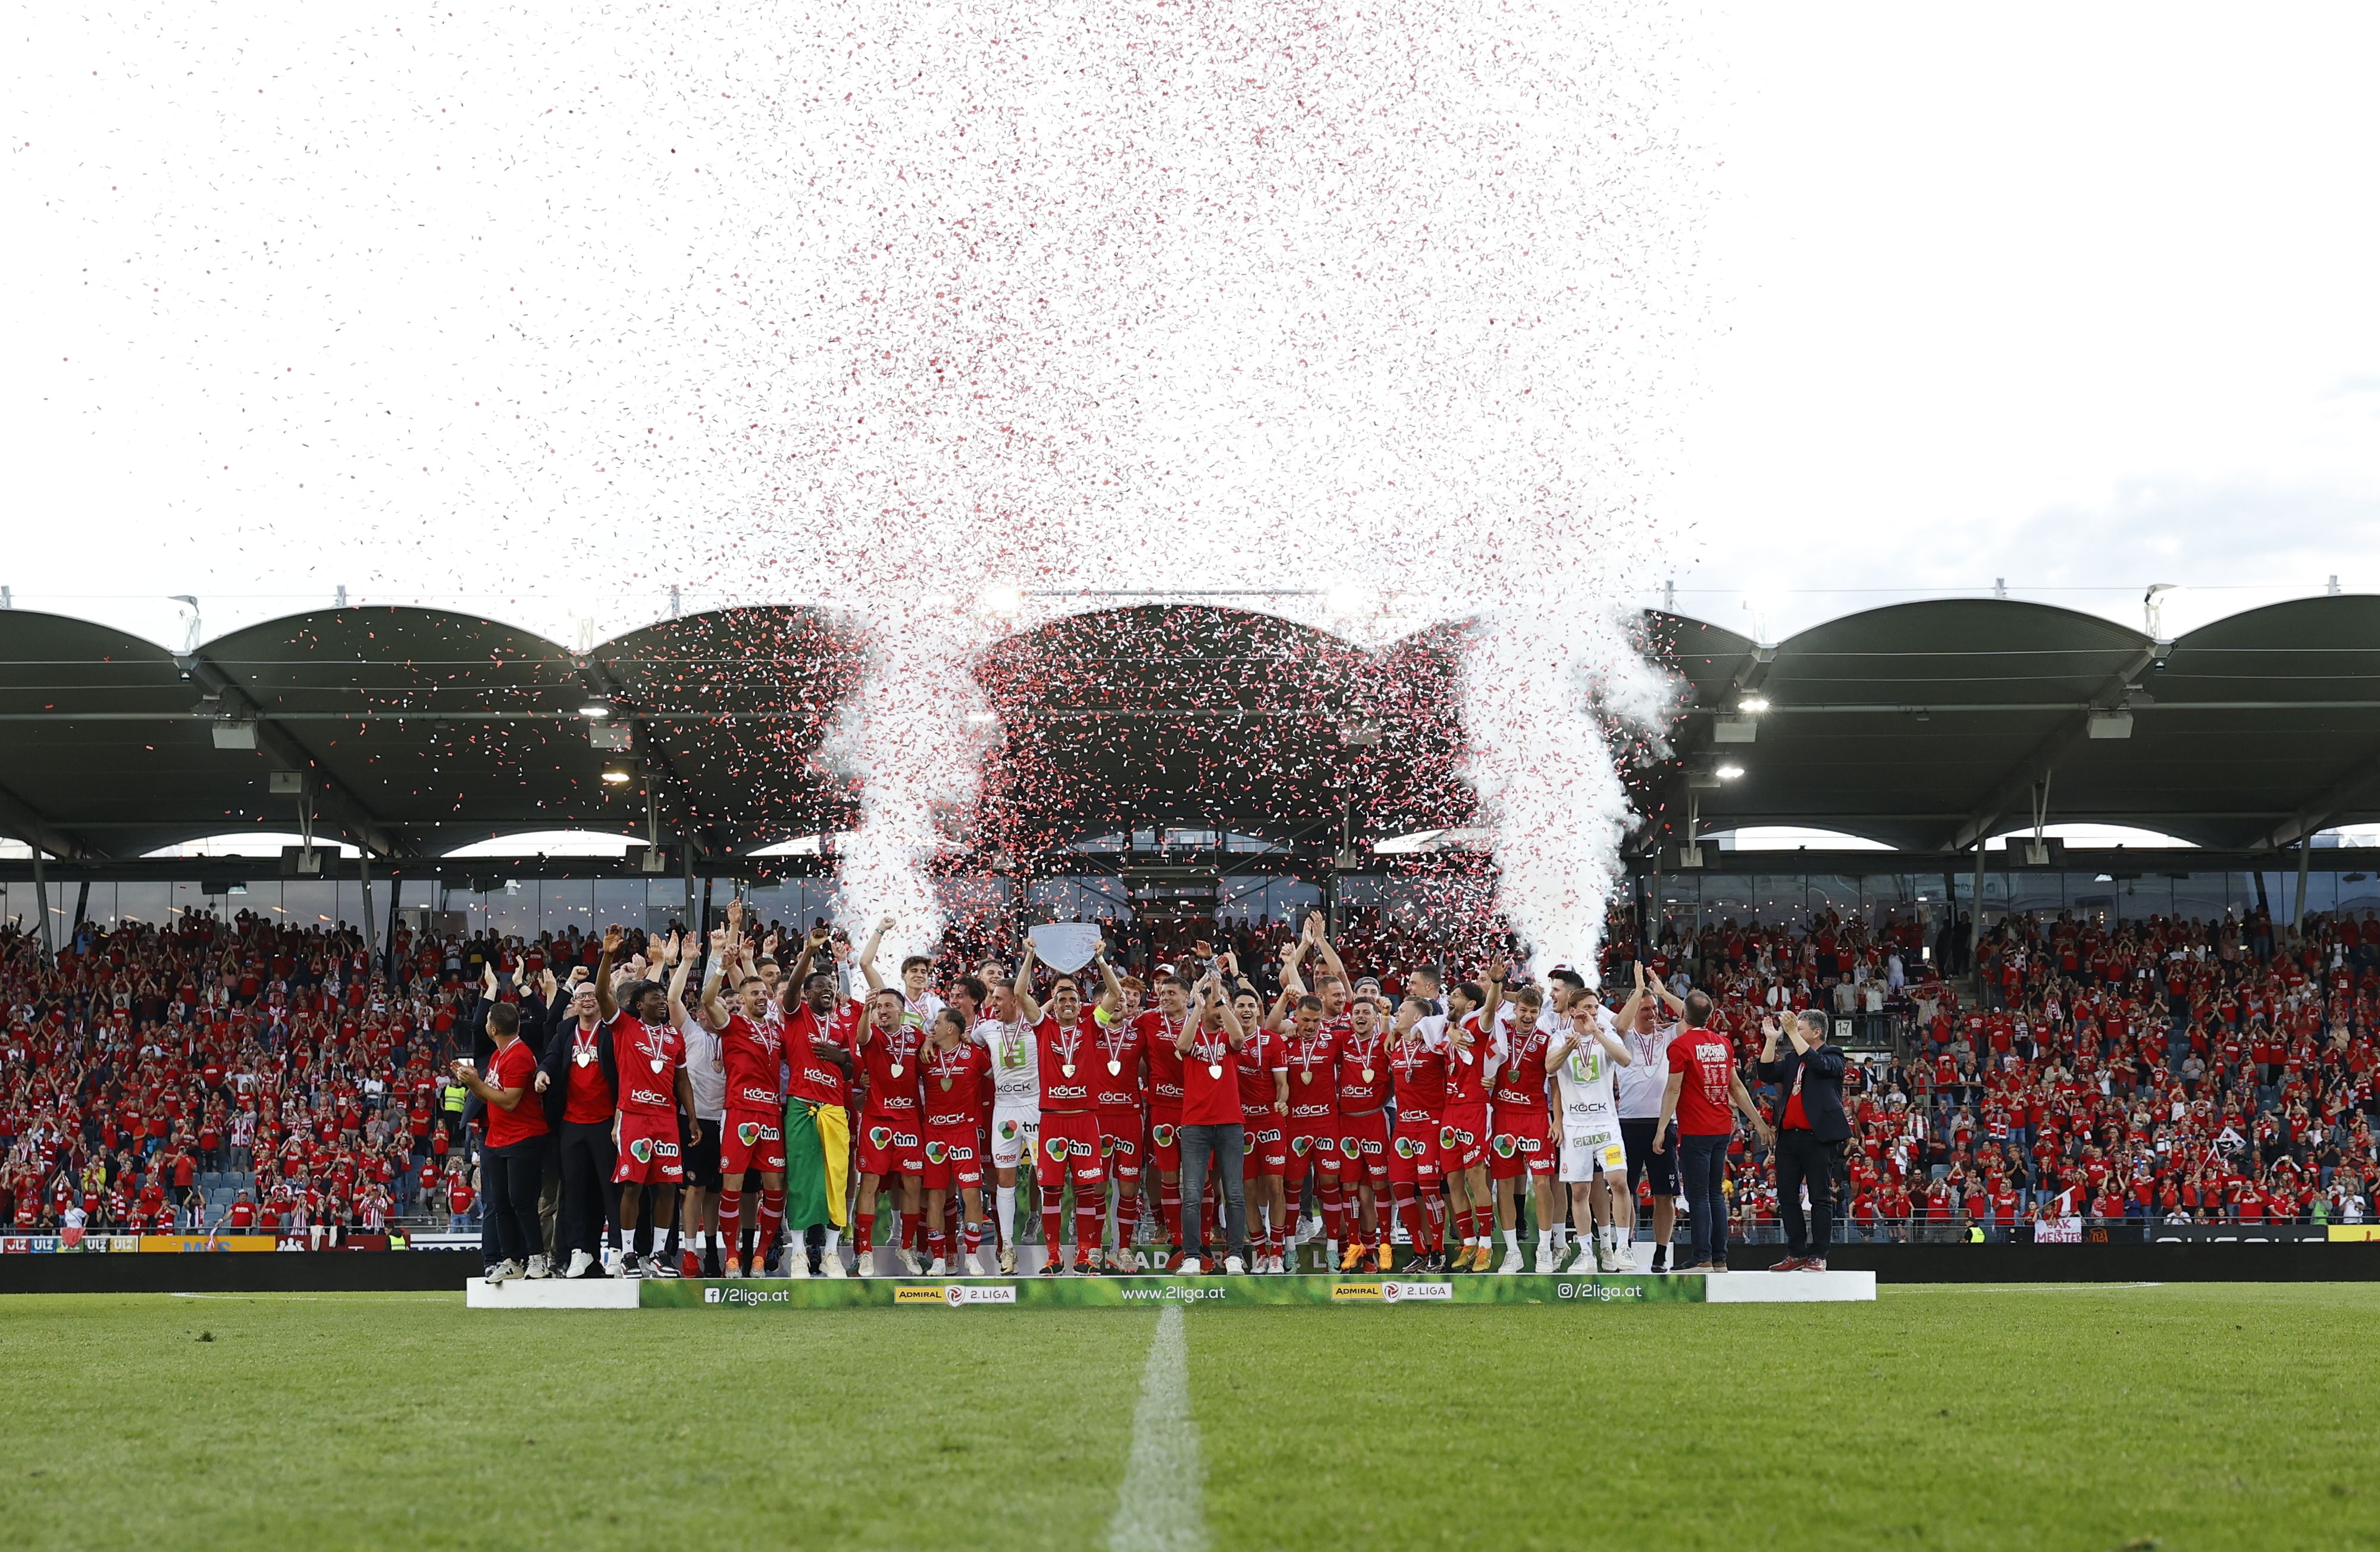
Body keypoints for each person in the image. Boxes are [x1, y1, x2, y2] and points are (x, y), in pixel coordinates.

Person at [1010, 937, 1122, 1275]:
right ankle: (1054, 1256)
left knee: (1088, 1189)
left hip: (1086, 1119)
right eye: (1062, 999)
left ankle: (1086, 1255)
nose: (1069, 1003)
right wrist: (1030, 955)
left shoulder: (1092, 1026)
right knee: (1052, 1190)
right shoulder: (1043, 1027)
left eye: (1074, 998)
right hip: (1054, 1121)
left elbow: (1115, 995)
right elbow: (1019, 995)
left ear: (1082, 1003)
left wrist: (1101, 961)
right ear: (1054, 1005)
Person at [596, 928, 702, 1278]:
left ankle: (659, 1255)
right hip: (636, 1117)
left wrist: (693, 1119)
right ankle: (628, 1254)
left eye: (664, 998)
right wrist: (609, 955)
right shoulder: (624, 1027)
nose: (662, 1002)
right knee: (633, 1185)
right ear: (640, 1005)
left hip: (667, 1120)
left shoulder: (674, 1037)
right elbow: (601, 995)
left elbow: (682, 1080)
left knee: (668, 1186)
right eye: (655, 998)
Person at [1654, 990, 1773, 1273]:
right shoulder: (1722, 1044)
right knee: (1715, 1194)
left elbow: (1673, 1089)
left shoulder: (1680, 1047)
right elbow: (1737, 1088)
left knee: (1698, 1195)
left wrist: (1661, 1130)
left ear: (1683, 1015)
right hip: (1722, 1127)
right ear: (1710, 1017)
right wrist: (1758, 1123)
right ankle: (1719, 1258)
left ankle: (1702, 1257)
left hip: (1696, 1128)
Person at [702, 923, 788, 1279]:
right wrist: (723, 964)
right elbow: (708, 1000)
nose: (761, 997)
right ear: (743, 998)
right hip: (738, 1113)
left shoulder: (776, 1028)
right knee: (732, 1188)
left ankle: (760, 1255)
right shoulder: (732, 1023)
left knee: (774, 1189)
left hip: (771, 1114)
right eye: (754, 993)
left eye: (764, 993)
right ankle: (733, 1256)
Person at [452, 1001, 548, 1282]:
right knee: (501, 1203)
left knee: (522, 1201)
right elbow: (491, 1096)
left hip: (522, 1137)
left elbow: (509, 1101)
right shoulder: (498, 1056)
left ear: (493, 1029)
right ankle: (512, 1260)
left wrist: (477, 1083)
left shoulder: (518, 1055)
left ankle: (536, 1259)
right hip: (498, 1138)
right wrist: (471, 1083)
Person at [780, 932, 856, 1277]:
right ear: (807, 994)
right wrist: (810, 950)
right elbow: (792, 989)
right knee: (802, 1179)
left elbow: (853, 1068)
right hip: (801, 1105)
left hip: (835, 1109)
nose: (827, 990)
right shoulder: (796, 1015)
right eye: (820, 986)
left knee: (836, 1179)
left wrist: (842, 1058)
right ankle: (797, 1253)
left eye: (831, 986)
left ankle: (829, 1253)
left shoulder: (841, 1024)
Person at [533, 974, 617, 1280]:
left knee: (611, 1191)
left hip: (607, 1122)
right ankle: (581, 1251)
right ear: (575, 1003)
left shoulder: (611, 1029)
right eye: (582, 996)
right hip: (572, 1123)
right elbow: (551, 1057)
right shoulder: (566, 1030)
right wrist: (542, 1073)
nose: (588, 999)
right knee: (576, 1192)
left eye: (593, 995)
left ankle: (618, 1251)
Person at [1546, 987, 1635, 1272]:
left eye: (1596, 1007)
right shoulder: (1560, 1038)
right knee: (1580, 1190)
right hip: (1575, 1127)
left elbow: (1625, 1060)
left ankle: (1623, 1249)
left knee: (1619, 1181)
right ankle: (1586, 1253)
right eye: (1587, 1008)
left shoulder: (1605, 1033)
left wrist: (1596, 1032)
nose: (1593, 1012)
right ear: (1572, 1011)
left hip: (1606, 1124)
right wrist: (1568, 1048)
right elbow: (1549, 1067)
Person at [1172, 962, 1250, 1275]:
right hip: (1195, 1125)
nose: (1218, 1009)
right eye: (1214, 1006)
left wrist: (1220, 1000)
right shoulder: (1194, 1032)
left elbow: (1240, 1038)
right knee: (1192, 1192)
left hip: (1230, 1123)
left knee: (1234, 1193)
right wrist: (1197, 1008)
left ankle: (1234, 1255)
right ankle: (1192, 1255)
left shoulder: (1228, 1039)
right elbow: (1182, 1045)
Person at [1758, 1007, 1849, 1271]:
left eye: (1800, 1029)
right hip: (1789, 1138)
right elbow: (1766, 1073)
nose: (1794, 1033)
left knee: (1820, 1197)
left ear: (1817, 1032)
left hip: (1818, 1138)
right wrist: (1771, 1040)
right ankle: (1796, 1253)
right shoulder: (1792, 1059)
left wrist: (1791, 1035)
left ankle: (1818, 1254)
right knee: (1786, 1197)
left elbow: (1819, 1064)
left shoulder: (1834, 1054)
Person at [1614, 961, 1683, 1271]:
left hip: (1663, 1122)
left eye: (1653, 1009)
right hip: (1628, 1123)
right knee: (1625, 1190)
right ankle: (1625, 1248)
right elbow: (1618, 1024)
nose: (1651, 1013)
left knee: (1664, 1194)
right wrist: (1638, 991)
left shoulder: (1669, 1036)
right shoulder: (1623, 1038)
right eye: (1645, 1009)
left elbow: (1691, 1015)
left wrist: (1662, 993)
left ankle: (1660, 1253)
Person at [917, 1007, 993, 1274]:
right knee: (936, 1195)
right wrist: (926, 1041)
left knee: (972, 1194)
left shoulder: (975, 1056)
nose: (932, 1028)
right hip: (934, 1135)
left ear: (951, 1029)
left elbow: (994, 1082)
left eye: (937, 1023)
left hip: (965, 1133)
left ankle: (972, 1255)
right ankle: (939, 1258)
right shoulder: (925, 1054)